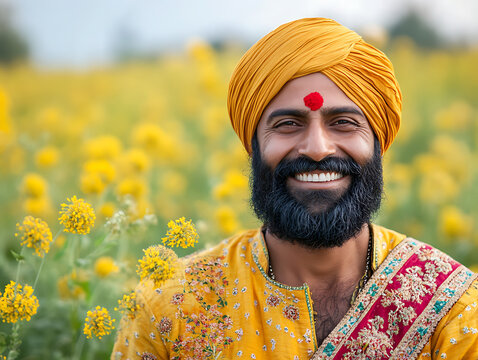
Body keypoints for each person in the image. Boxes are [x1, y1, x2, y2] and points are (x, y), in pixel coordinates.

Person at [112, 18, 478, 360]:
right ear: (252, 145)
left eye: (344, 123)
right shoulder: (171, 307)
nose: (318, 148)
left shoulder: (453, 311)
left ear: (378, 142)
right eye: (288, 124)